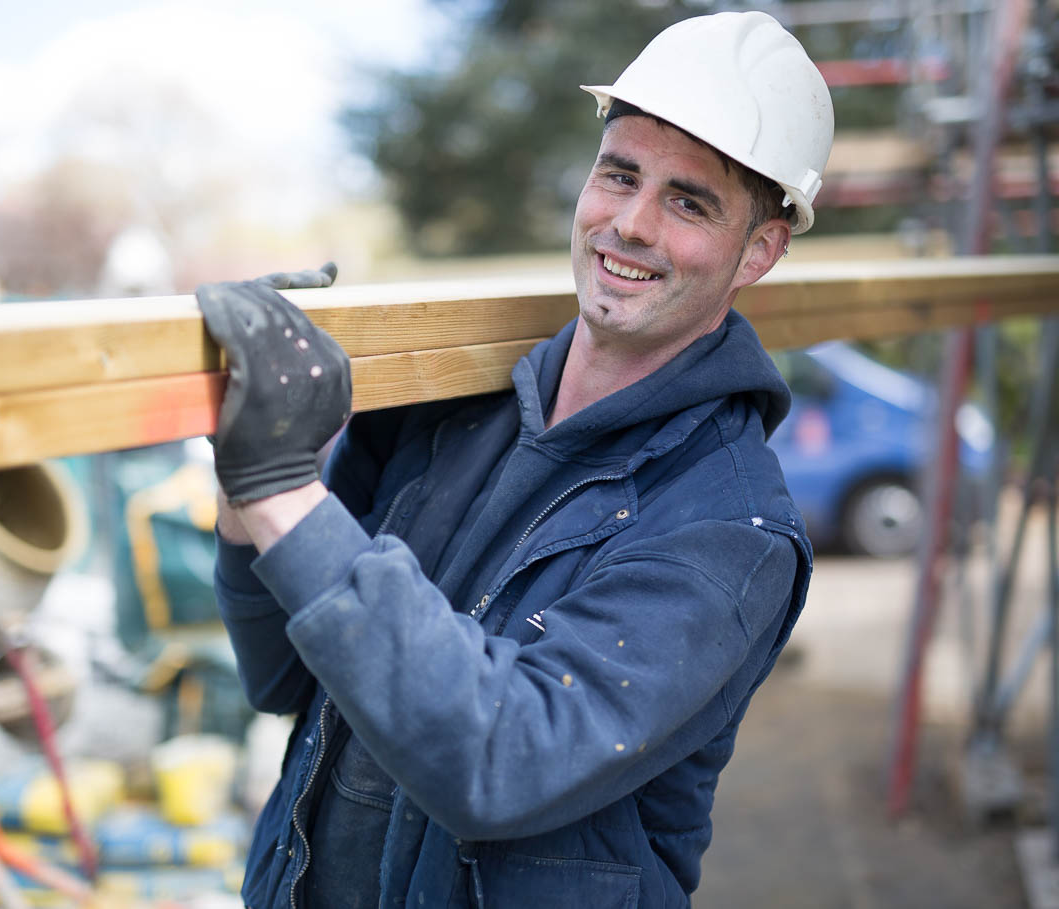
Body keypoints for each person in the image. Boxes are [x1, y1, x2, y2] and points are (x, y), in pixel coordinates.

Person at [201, 10, 834, 908]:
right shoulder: (448, 409)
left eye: (689, 201)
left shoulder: (729, 530)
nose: (632, 224)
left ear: (759, 250)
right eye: (619, 175)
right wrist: (244, 481)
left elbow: (504, 760)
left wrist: (281, 491)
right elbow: (285, 675)